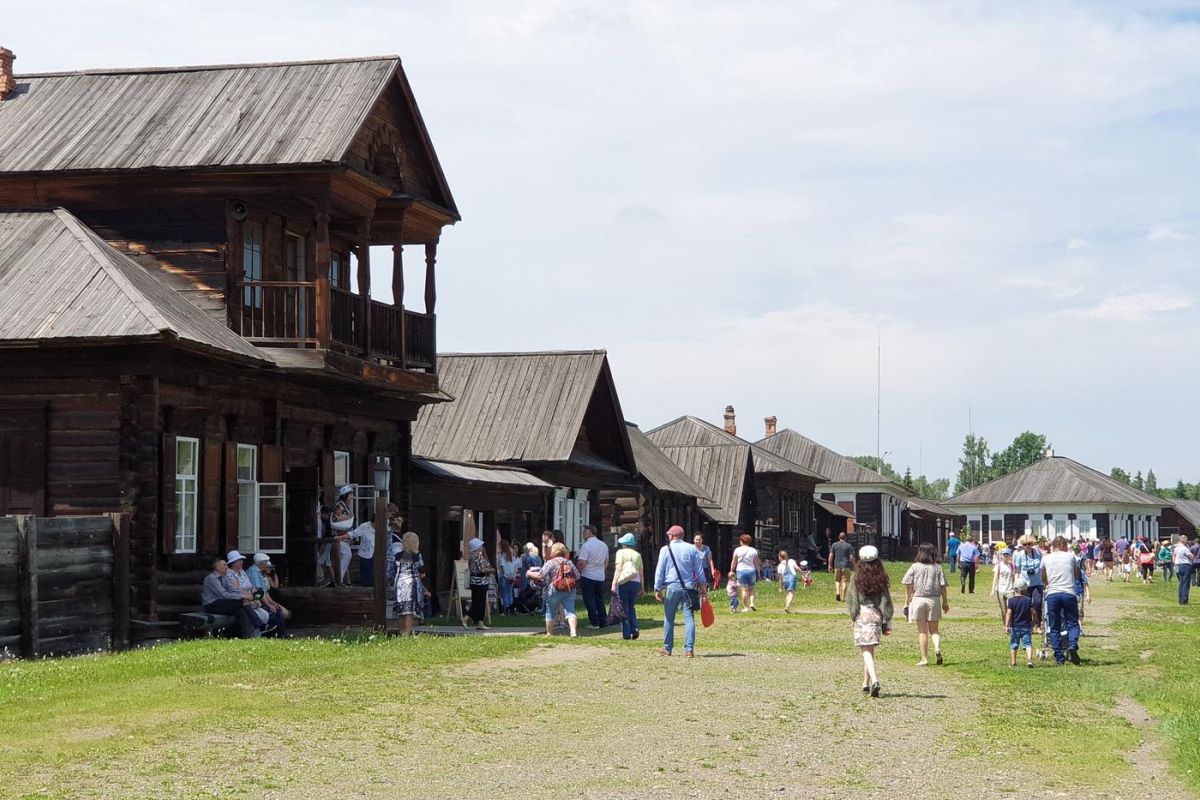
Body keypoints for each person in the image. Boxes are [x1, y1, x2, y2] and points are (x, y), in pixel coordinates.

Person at [846, 545, 893, 697]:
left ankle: (874, 680)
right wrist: (886, 620)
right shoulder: (881, 577)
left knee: (865, 649)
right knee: (869, 648)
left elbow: (852, 600)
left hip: (863, 613)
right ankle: (865, 683)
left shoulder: (856, 577)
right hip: (876, 614)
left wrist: (853, 616)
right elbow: (886, 600)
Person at [654, 525, 708, 656]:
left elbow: (660, 570)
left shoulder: (665, 549)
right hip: (689, 586)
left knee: (669, 618)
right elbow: (699, 568)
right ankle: (689, 649)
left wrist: (658, 588)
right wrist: (703, 584)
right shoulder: (692, 548)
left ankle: (667, 648)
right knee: (689, 618)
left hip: (672, 586)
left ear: (672, 536)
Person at [901, 543, 949, 666]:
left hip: (918, 599)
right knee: (934, 630)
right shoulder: (938, 568)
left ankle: (924, 659)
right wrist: (945, 602)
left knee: (922, 631)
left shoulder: (915, 567)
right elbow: (943, 586)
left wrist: (906, 602)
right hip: (934, 600)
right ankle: (937, 648)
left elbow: (908, 585)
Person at [1042, 536, 1082, 666]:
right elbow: (1076, 574)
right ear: (1063, 544)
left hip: (1053, 593)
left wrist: (1049, 583)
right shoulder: (1071, 556)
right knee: (1073, 623)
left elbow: (1043, 577)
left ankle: (1059, 657)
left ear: (1054, 545)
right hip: (1068, 592)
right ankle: (1072, 644)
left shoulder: (1046, 558)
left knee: (1054, 626)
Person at [200, 558, 264, 639]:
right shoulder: (211, 578)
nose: (227, 567)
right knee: (241, 603)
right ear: (217, 567)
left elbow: (232, 590)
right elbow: (223, 594)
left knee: (241, 611)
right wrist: (243, 597)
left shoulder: (225, 576)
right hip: (211, 605)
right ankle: (260, 625)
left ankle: (249, 636)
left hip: (223, 604)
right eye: (225, 565)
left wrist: (245, 594)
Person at [527, 542, 579, 637]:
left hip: (554, 590)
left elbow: (540, 575)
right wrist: (566, 581)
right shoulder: (569, 562)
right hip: (569, 589)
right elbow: (577, 576)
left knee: (550, 612)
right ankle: (573, 632)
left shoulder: (550, 562)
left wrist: (529, 573)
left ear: (553, 551)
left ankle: (549, 633)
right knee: (571, 611)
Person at [222, 550, 277, 635]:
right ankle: (260, 629)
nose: (241, 562)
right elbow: (236, 590)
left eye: (241, 560)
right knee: (255, 611)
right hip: (240, 600)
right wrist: (251, 599)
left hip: (250, 598)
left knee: (263, 608)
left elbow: (252, 587)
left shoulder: (242, 572)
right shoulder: (229, 573)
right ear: (232, 562)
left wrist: (256, 599)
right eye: (238, 560)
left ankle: (262, 631)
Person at [611, 532, 644, 640]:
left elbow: (619, 568)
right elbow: (641, 573)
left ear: (624, 543)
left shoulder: (620, 552)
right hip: (635, 582)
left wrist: (613, 583)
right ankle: (635, 629)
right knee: (631, 607)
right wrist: (642, 588)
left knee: (623, 608)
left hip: (624, 582)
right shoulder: (637, 555)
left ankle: (626, 633)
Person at [575, 525, 609, 629]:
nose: (583, 535)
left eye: (584, 533)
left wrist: (577, 571)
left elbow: (581, 562)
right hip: (600, 576)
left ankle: (594, 623)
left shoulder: (586, 546)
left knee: (589, 600)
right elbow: (606, 561)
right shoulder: (604, 545)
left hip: (588, 576)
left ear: (590, 533)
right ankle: (603, 621)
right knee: (599, 599)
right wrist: (601, 571)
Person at [247, 553, 291, 633]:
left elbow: (264, 592)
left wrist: (271, 603)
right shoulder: (254, 572)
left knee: (279, 611)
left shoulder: (259, 572)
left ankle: (280, 634)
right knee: (277, 613)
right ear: (262, 563)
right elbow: (258, 592)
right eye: (266, 562)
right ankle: (279, 634)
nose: (268, 564)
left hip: (259, 600)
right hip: (255, 600)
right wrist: (269, 605)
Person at [393, 531, 427, 635]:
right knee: (409, 611)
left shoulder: (397, 555)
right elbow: (422, 572)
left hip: (399, 583)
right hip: (412, 584)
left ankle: (401, 632)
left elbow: (393, 570)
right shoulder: (417, 555)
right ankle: (407, 634)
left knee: (401, 610)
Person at [1014, 534, 1045, 631]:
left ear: (1032, 543)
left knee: (1037, 602)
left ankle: (1038, 624)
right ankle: (1028, 625)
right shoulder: (1019, 555)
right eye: (1025, 544)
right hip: (1024, 584)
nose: (1027, 546)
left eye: (1029, 544)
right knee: (1026, 605)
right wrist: (1016, 585)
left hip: (1037, 583)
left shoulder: (1038, 553)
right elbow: (1017, 571)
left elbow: (1043, 568)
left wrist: (1045, 581)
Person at [464, 537, 494, 630]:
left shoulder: (471, 556)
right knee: (479, 603)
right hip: (481, 582)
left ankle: (480, 622)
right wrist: (491, 570)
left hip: (474, 582)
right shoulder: (478, 556)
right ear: (477, 547)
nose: (482, 547)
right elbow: (482, 569)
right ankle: (466, 618)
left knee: (477, 602)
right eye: (480, 546)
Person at [1005, 579, 1035, 668]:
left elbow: (1009, 613)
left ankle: (1013, 663)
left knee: (1014, 644)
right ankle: (1029, 660)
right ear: (1023, 590)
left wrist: (1006, 625)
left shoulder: (1011, 600)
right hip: (1026, 626)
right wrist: (1034, 622)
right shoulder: (1028, 600)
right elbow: (1033, 612)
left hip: (1015, 627)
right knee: (1028, 644)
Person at [330, 485, 355, 586]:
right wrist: (348, 517)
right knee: (347, 555)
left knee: (343, 557)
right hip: (339, 535)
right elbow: (335, 518)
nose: (352, 497)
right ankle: (339, 579)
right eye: (350, 494)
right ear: (346, 495)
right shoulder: (340, 505)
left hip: (343, 535)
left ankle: (339, 579)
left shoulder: (343, 505)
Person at [730, 533, 761, 612]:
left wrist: (731, 571)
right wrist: (759, 572)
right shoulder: (753, 550)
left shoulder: (737, 550)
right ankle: (752, 603)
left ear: (741, 541)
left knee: (744, 590)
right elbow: (756, 563)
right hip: (751, 571)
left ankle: (746, 607)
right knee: (752, 589)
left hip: (741, 570)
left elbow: (734, 562)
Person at [989, 548, 1016, 623]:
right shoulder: (998, 566)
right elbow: (995, 578)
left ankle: (1011, 624)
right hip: (1000, 590)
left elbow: (1013, 577)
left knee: (1010, 609)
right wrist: (992, 590)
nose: (1006, 557)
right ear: (1001, 556)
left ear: (1010, 556)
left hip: (1010, 590)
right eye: (1004, 555)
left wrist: (1015, 588)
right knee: (1004, 610)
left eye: (1007, 555)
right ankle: (1006, 625)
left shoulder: (1012, 566)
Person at [827, 531, 855, 602]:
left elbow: (831, 556)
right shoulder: (849, 546)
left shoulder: (834, 545)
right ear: (845, 538)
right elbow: (851, 557)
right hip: (846, 566)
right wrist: (854, 565)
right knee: (845, 581)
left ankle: (837, 593)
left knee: (837, 580)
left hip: (837, 565)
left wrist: (830, 565)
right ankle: (843, 598)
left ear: (839, 537)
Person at [496, 540, 518, 614]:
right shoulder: (512, 556)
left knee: (505, 594)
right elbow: (515, 566)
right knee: (509, 593)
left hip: (504, 577)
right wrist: (514, 576)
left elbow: (502, 566)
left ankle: (506, 609)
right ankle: (511, 609)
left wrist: (505, 575)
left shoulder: (502, 556)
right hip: (511, 576)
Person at [1174, 535, 1194, 605]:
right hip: (1186, 565)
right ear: (1184, 540)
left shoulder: (1177, 548)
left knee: (1181, 583)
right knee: (1186, 583)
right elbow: (1191, 557)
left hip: (1179, 565)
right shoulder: (1184, 548)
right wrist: (1192, 556)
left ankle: (1180, 599)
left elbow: (1174, 555)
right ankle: (1184, 600)